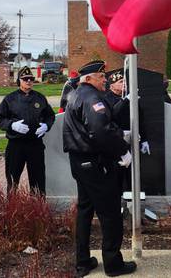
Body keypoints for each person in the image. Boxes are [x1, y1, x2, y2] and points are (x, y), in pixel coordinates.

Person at [63, 60, 137, 277]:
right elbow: (101, 130)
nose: (105, 79)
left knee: (85, 212)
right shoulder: (92, 98)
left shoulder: (77, 95)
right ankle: (113, 265)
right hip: (95, 164)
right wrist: (122, 150)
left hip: (80, 162)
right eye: (101, 76)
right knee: (110, 213)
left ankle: (83, 262)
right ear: (88, 79)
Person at [0, 66, 56, 194]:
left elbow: (50, 116)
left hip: (35, 145)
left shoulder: (40, 98)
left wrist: (46, 126)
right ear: (19, 81)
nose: (28, 81)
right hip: (16, 145)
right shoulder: (10, 99)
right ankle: (12, 207)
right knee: (12, 179)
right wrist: (11, 125)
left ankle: (38, 207)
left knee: (38, 179)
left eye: (31, 79)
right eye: (25, 79)